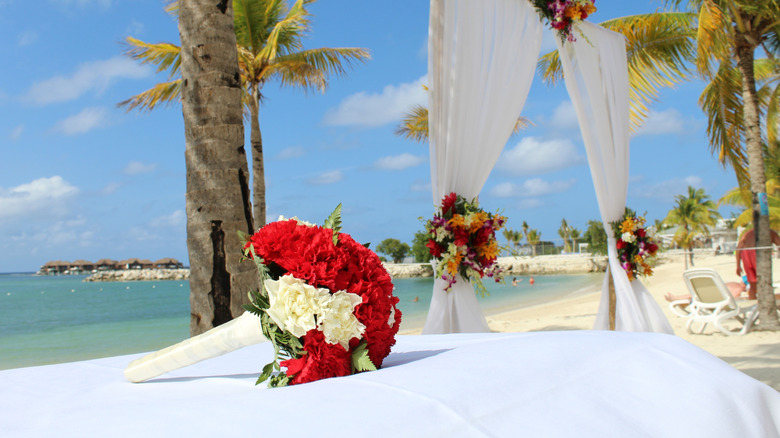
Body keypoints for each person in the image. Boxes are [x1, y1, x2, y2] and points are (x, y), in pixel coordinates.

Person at [736, 228, 780, 299]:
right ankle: (766, 306)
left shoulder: (748, 233)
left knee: (753, 286)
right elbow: (779, 245)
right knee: (764, 283)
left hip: (745, 253)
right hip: (759, 253)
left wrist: (738, 265)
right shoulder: (771, 232)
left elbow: (738, 249)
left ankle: (753, 303)